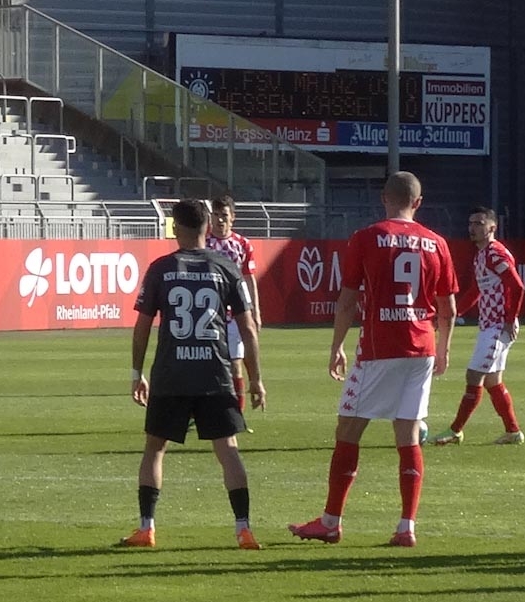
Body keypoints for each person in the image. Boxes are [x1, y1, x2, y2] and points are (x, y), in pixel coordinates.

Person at [289, 171, 458, 548]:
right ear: (418, 202)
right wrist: (444, 349)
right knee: (408, 434)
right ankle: (406, 526)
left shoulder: (367, 237)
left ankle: (330, 521)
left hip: (380, 347)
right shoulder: (437, 242)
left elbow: (348, 300)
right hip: (422, 347)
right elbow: (448, 307)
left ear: (383, 198)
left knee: (348, 430)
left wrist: (336, 345)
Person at [122, 198, 265, 549]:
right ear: (207, 227)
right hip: (214, 373)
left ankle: (146, 527)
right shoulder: (226, 267)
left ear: (176, 227)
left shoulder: (160, 268)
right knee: (228, 448)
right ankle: (244, 529)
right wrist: (256, 379)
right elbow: (248, 329)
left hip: (171, 374)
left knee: (155, 448)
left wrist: (136, 372)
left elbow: (142, 326)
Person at [432, 206, 525, 447]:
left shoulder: (495, 253)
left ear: (492, 227)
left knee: (474, 375)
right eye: (471, 223)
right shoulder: (482, 254)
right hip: (490, 326)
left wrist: (509, 320)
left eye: (479, 223)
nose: (472, 228)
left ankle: (455, 430)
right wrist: (455, 312)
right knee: (492, 381)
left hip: (498, 326)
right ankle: (513, 432)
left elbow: (517, 286)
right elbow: (477, 290)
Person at [206, 195, 260, 420]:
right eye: (216, 215)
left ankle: (237, 416)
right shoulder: (204, 243)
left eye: (224, 215)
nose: (220, 220)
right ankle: (205, 412)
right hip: (209, 313)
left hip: (234, 314)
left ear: (233, 218)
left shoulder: (242, 244)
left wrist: (255, 311)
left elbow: (249, 278)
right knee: (208, 365)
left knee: (236, 364)